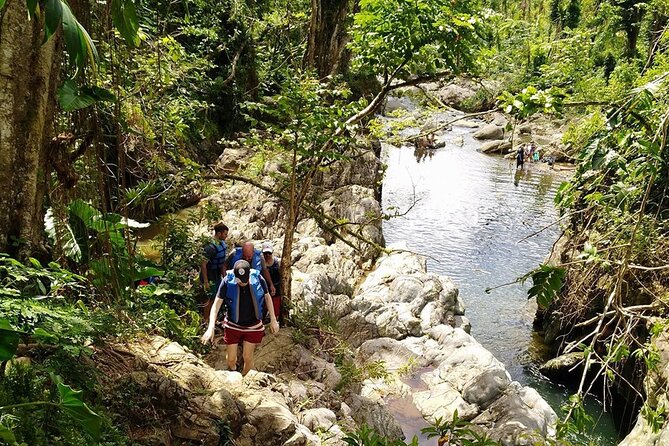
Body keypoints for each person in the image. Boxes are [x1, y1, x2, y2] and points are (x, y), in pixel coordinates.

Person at [201, 260, 279, 375]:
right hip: (233, 324)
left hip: (253, 325)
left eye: (245, 280)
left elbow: (267, 297)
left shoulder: (258, 279)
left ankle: (244, 379)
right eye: (239, 280)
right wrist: (210, 327)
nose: (242, 283)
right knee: (231, 359)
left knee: (248, 357)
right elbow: (216, 305)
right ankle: (233, 369)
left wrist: (273, 320)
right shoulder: (227, 281)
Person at [200, 222, 229, 323]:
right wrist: (206, 281)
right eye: (225, 234)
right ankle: (205, 320)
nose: (226, 236)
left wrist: (224, 276)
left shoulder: (221, 244)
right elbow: (203, 264)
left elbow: (222, 263)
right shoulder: (210, 247)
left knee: (217, 296)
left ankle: (213, 318)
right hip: (209, 275)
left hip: (217, 274)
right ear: (219, 233)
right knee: (210, 299)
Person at [261, 241, 282, 322]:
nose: (267, 255)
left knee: (276, 306)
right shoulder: (260, 263)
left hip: (276, 287)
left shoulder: (277, 262)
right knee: (263, 307)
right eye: (265, 253)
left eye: (269, 253)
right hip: (264, 288)